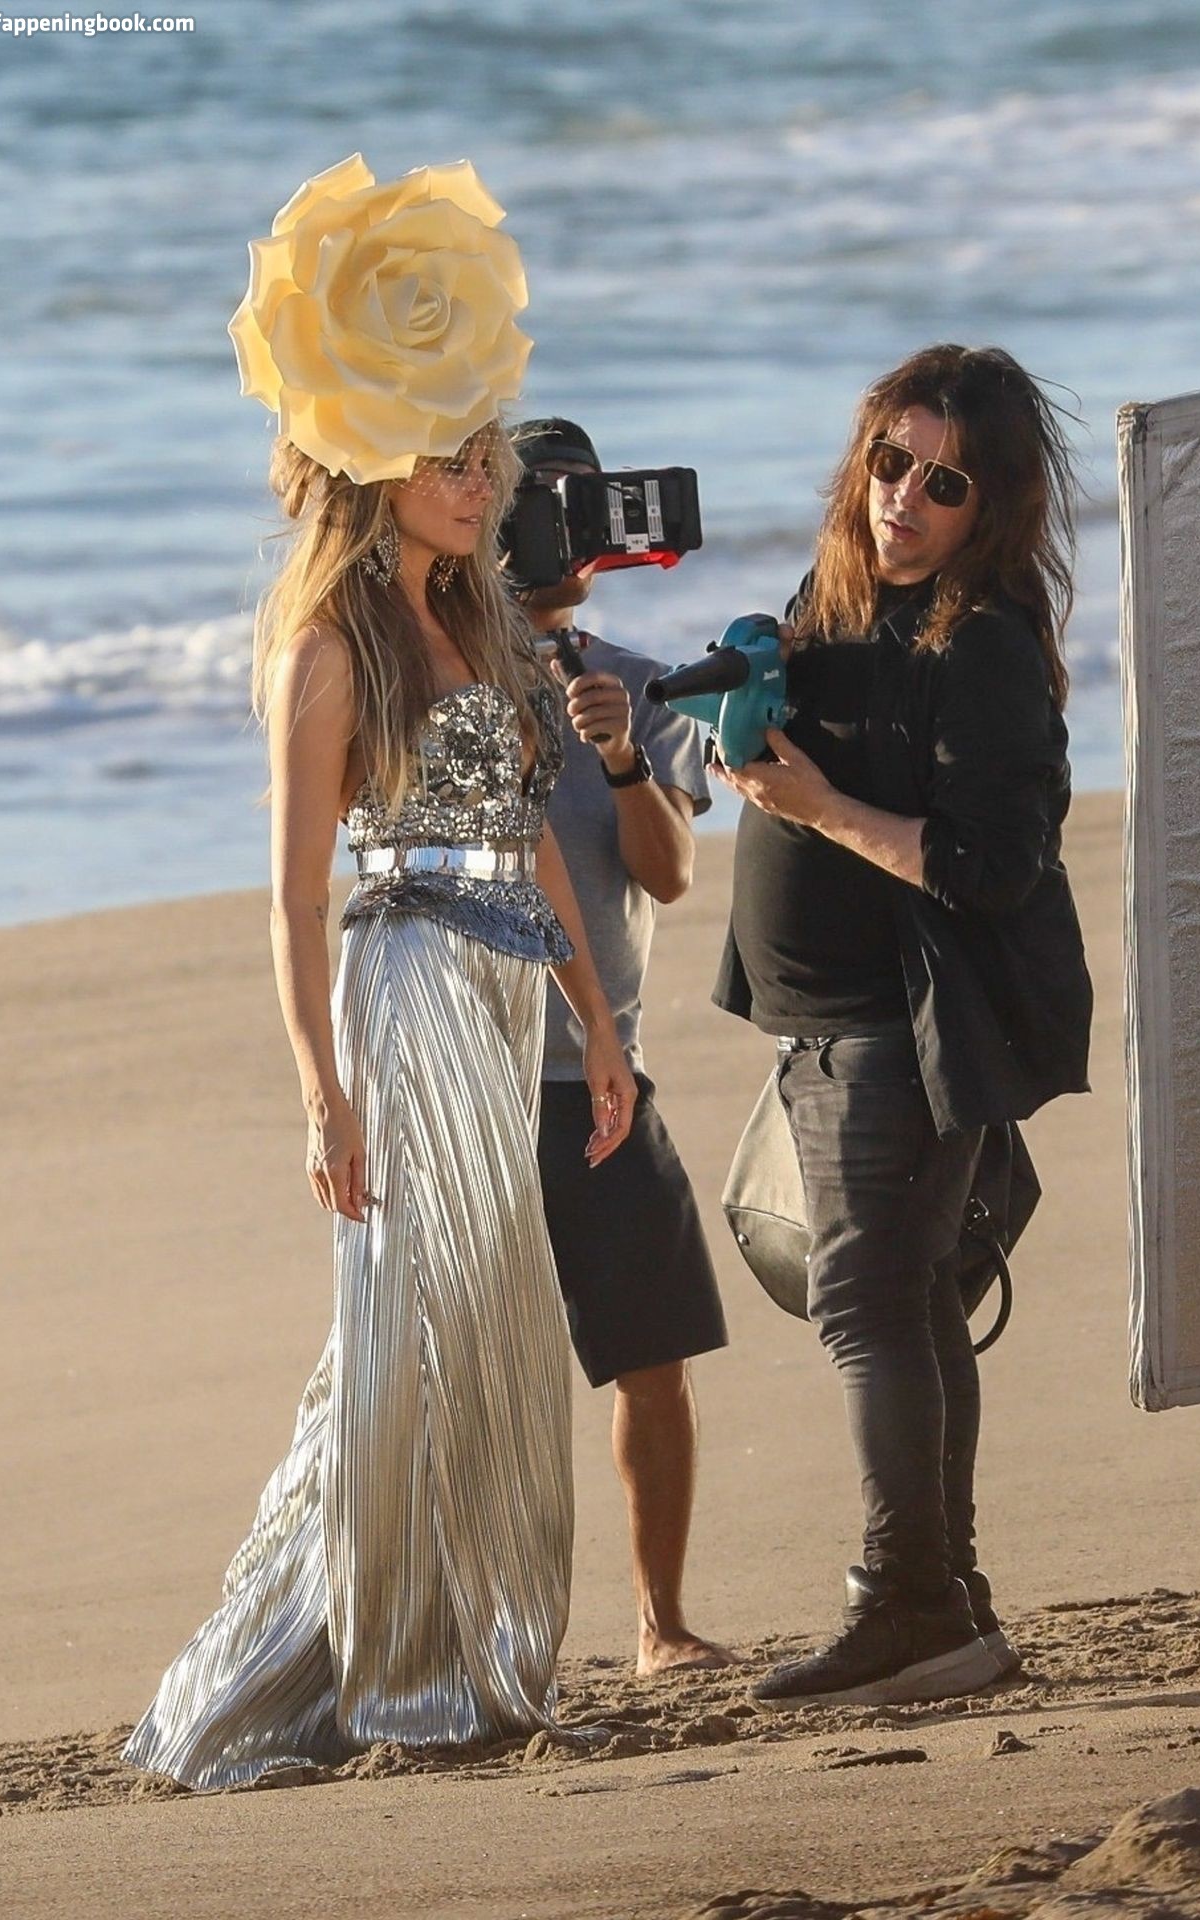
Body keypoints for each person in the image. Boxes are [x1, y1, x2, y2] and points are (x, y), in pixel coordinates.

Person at [123, 158, 637, 1791]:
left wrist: (601, 1028)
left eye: (487, 459)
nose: (481, 486)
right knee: (410, 1314)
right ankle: (382, 1671)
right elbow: (293, 900)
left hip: (505, 981)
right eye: (449, 460)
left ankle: (471, 1657)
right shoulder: (326, 650)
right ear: (373, 460)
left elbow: (536, 844)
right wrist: (317, 1092)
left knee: (493, 1316)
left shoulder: (485, 627)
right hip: (404, 979)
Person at [712, 344, 1093, 1707]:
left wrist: (817, 812)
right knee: (913, 1300)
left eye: (944, 484)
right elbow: (781, 760)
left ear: (991, 507)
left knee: (868, 1303)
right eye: (890, 464)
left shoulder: (978, 644)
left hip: (904, 1030)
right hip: (823, 1021)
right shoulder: (831, 606)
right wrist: (699, 729)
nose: (904, 500)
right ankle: (951, 1600)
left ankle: (907, 1603)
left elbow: (994, 865)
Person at [509, 418, 732, 1675]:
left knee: (652, 1352)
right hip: (469, 1076)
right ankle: (473, 1637)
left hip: (597, 1076)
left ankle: (661, 1623)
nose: (561, 529)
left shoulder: (640, 686)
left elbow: (670, 876)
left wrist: (617, 757)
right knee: (467, 1376)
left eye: (581, 505)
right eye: (540, 502)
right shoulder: (429, 675)